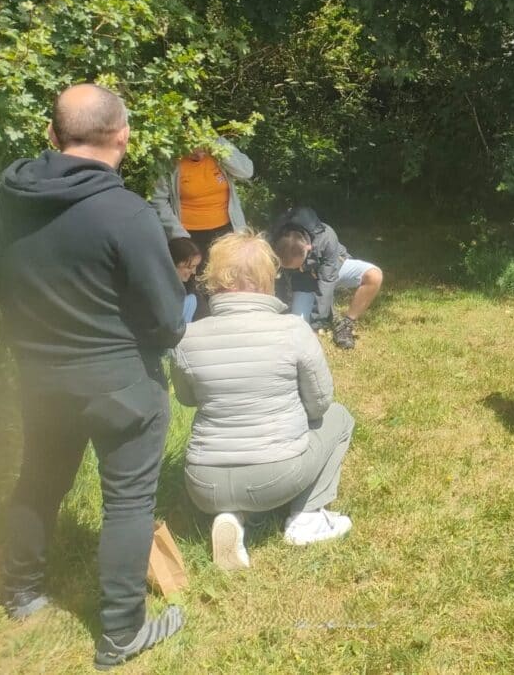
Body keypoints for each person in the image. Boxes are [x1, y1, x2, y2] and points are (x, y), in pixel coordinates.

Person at [0, 84, 186, 669]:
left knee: (38, 480)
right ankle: (121, 633)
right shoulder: (126, 212)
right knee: (127, 501)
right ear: (123, 137)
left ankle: (20, 591)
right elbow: (166, 318)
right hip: (119, 385)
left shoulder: (7, 200)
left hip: (38, 376)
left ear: (52, 136)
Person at [171, 230, 355, 570]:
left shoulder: (188, 336)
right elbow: (320, 403)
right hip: (276, 477)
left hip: (203, 483)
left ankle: (234, 515)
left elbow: (185, 399)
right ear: (268, 277)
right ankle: (307, 516)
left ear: (214, 278)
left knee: (236, 483)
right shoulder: (293, 330)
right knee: (339, 417)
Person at [270, 206, 384, 349]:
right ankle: (330, 315)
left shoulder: (327, 237)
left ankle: (346, 324)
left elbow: (326, 281)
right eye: (293, 268)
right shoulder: (274, 241)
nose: (299, 268)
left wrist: (318, 321)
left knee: (374, 275)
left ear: (308, 248)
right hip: (304, 282)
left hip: (334, 269)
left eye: (299, 265)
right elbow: (274, 280)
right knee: (299, 331)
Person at [150, 137, 253, 258]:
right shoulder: (169, 160)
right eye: (194, 151)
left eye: (203, 150)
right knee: (194, 274)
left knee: (228, 274)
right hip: (189, 235)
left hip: (228, 229)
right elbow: (157, 200)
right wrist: (177, 234)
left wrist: (219, 148)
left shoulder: (218, 149)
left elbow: (247, 172)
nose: (200, 155)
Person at [168, 236, 202, 324]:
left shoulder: (191, 292)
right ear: (173, 263)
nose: (194, 272)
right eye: (189, 267)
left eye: (195, 267)